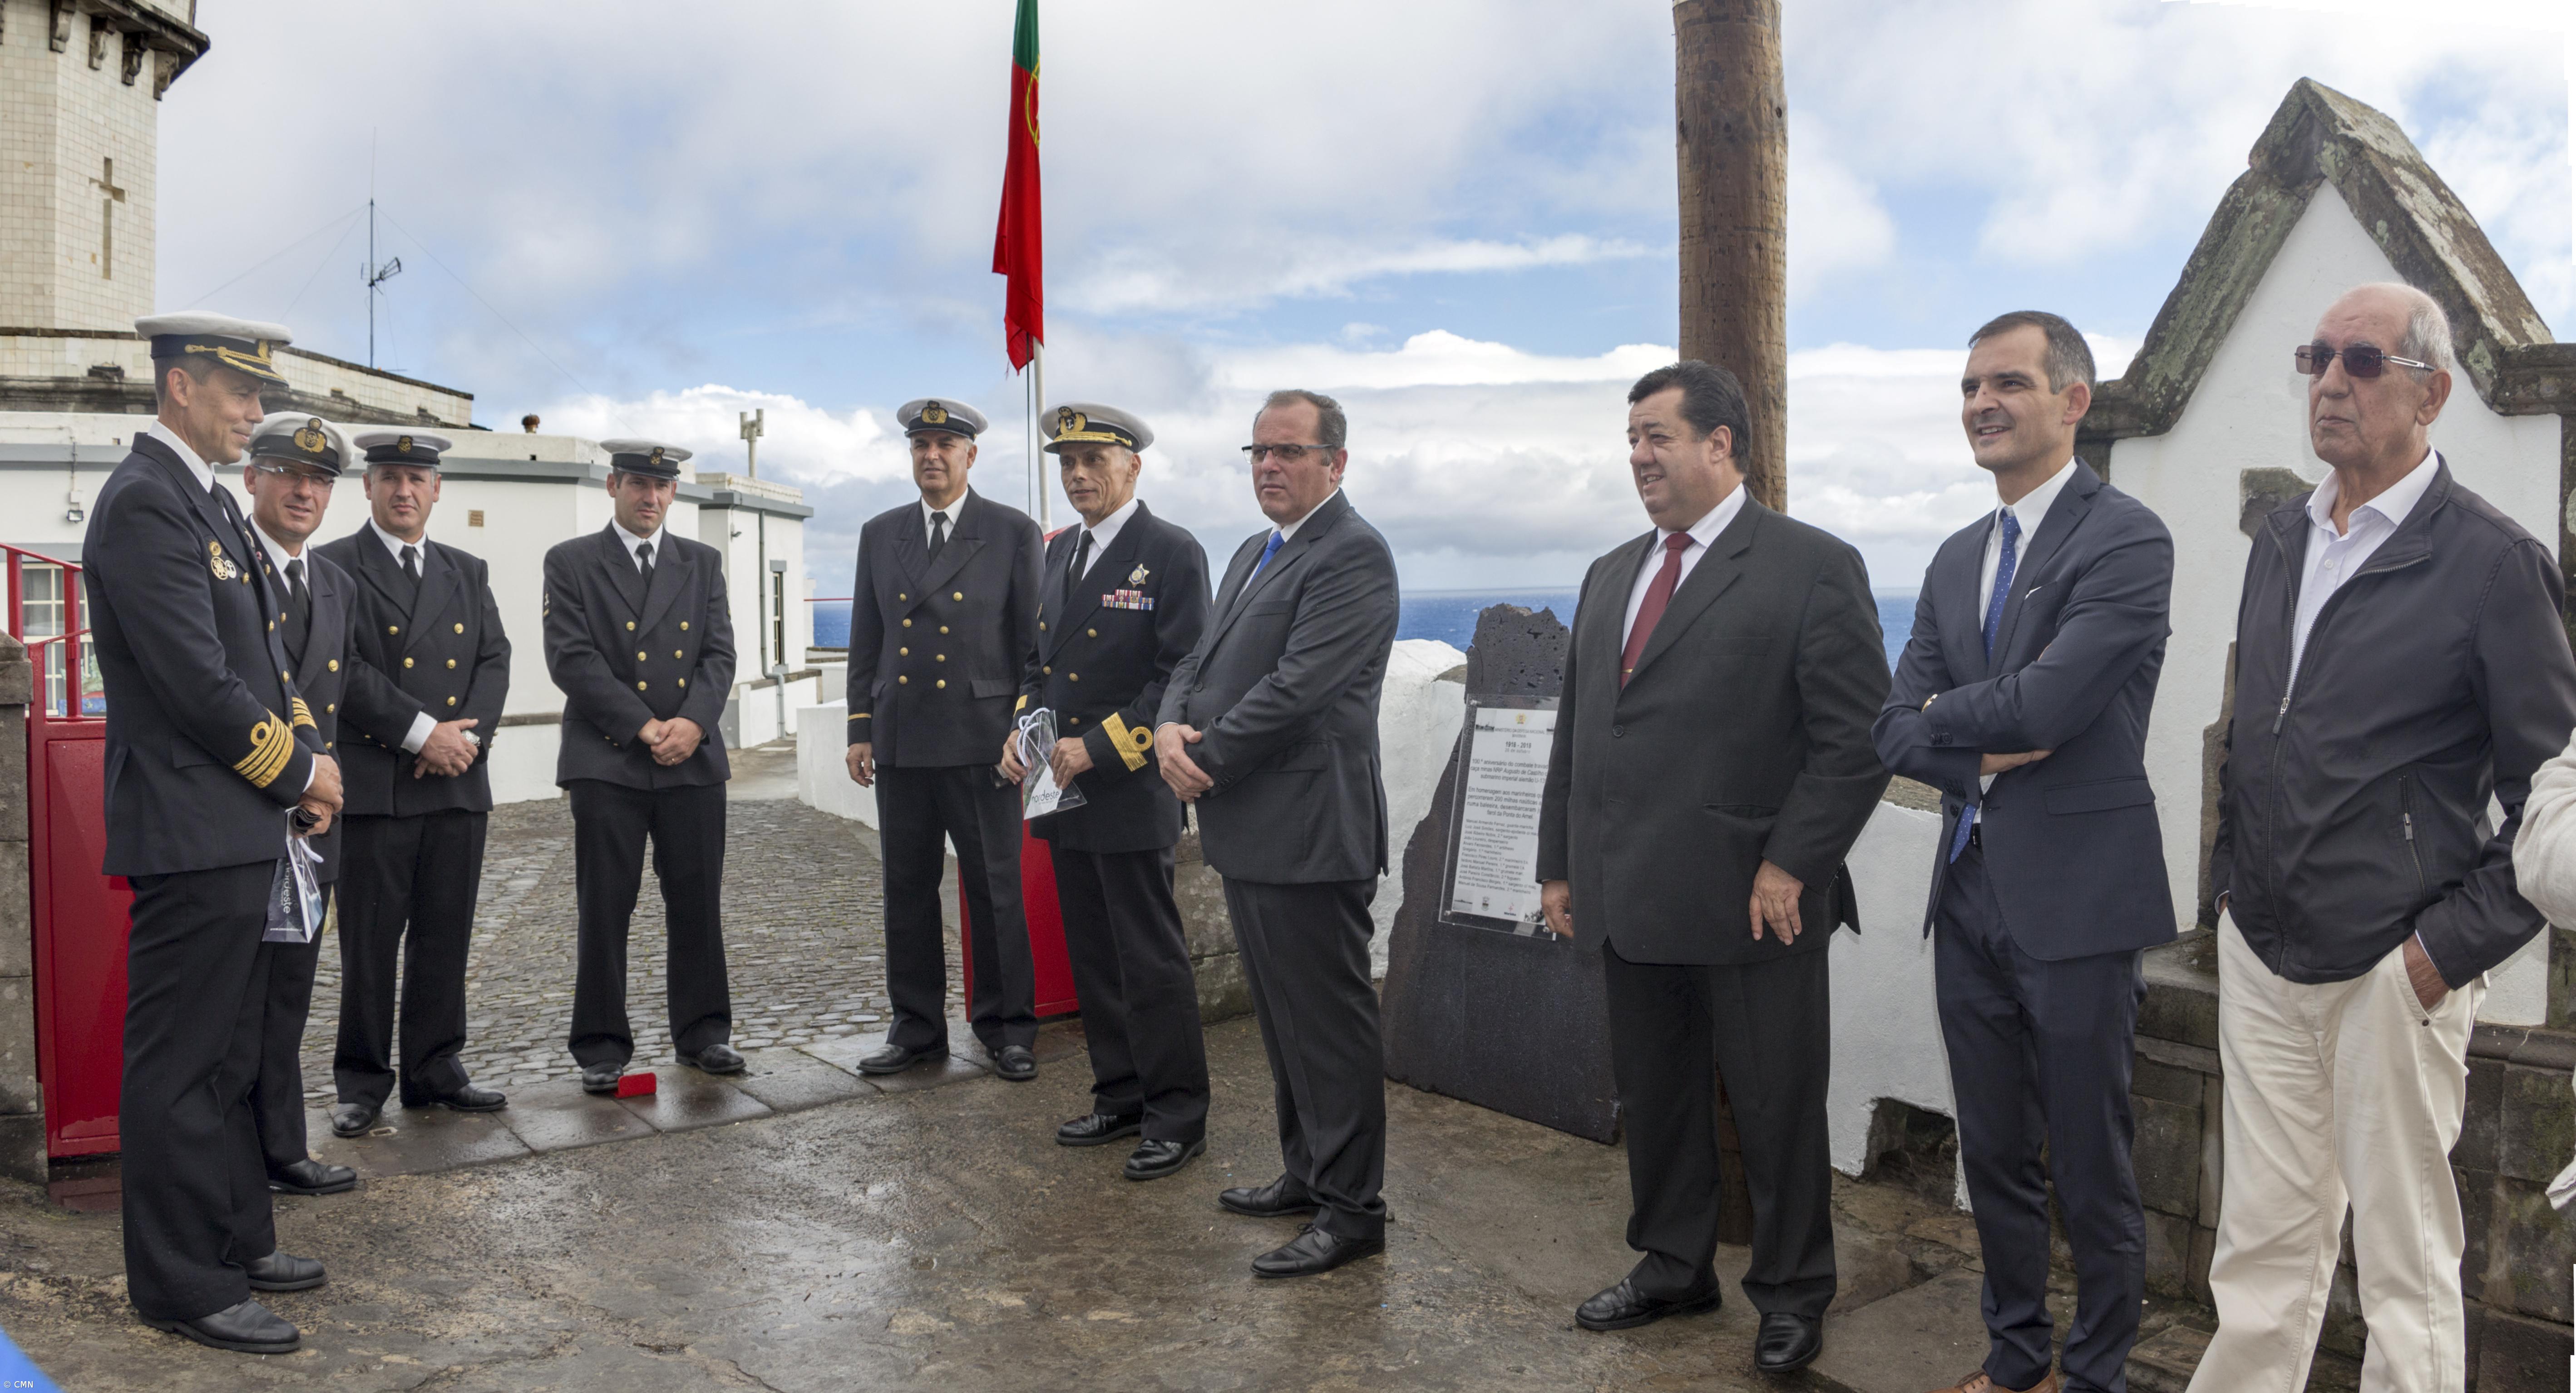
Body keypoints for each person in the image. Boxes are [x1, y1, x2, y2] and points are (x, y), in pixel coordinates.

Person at [2195, 283, 2576, 1393]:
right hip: (2260, 952)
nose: (2328, 381)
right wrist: (2227, 888)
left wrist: (2438, 953)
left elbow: (2551, 796)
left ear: (2431, 393)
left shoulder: (2494, 567)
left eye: (2360, 362)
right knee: (2258, 1248)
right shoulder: (2282, 539)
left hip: (2388, 974)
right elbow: (2249, 733)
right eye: (2316, 357)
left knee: (2405, 1265)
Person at [1535, 360, 1888, 1374]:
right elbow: (1582, 736)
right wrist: (1559, 865)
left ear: (1720, 444)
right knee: (1656, 1097)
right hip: (1625, 894)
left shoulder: (1809, 564)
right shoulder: (1612, 570)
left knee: (1776, 1106)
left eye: (1657, 436)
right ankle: (1671, 1265)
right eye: (1631, 439)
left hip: (1752, 901)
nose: (1638, 456)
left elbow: (1854, 738)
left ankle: (1789, 1292)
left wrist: (1791, 862)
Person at [1872, 314, 2176, 1393]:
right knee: (1991, 1155)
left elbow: (2054, 701)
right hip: (1965, 891)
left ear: (2072, 401)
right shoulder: (1957, 557)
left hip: (2080, 899)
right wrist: (1985, 750)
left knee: (2089, 1164)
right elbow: (1891, 722)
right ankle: (2014, 1363)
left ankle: (2094, 1376)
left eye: (2006, 382)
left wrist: (1954, 721)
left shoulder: (2126, 537)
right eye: (1966, 387)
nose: (1980, 404)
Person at [86, 314, 342, 1354]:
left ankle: (235, 1239)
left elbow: (266, 669)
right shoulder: (147, 502)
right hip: (192, 825)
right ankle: (181, 1284)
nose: (253, 413)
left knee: (234, 1055)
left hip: (237, 820)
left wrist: (300, 780)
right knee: (180, 1063)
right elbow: (198, 681)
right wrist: (296, 769)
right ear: (181, 385)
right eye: (240, 395)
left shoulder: (202, 502)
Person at [1155, 388, 1401, 1279]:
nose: (1268, 465)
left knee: (1328, 1026)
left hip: (1309, 828)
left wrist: (1200, 756)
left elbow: (1299, 689)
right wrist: (1167, 728)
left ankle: (1351, 1209)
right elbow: (1197, 657)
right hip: (1252, 829)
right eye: (1257, 450)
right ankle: (1306, 1172)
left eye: (1288, 451)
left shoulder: (1353, 555)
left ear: (1334, 462)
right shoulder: (1255, 551)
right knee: (1284, 1020)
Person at [1002, 403, 1212, 1180]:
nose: (1079, 476)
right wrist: (1021, 732)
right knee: (1093, 955)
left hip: (1127, 787)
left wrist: (1098, 748)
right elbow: (1039, 666)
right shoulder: (1060, 555)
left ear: (1132, 467)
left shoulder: (1171, 552)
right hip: (1064, 795)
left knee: (1149, 961)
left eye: (1094, 462)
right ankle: (1120, 1093)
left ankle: (1177, 1113)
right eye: (1068, 464)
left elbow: (1182, 676)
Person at [235, 414, 420, 1201]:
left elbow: (331, 694)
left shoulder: (333, 584)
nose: (304, 491)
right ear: (252, 479)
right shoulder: (226, 567)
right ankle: (235, 1160)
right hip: (244, 813)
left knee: (288, 996)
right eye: (285, 472)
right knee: (232, 1005)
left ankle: (282, 1149)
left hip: (313, 822)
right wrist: (295, 779)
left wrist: (322, 783)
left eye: (319, 480)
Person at [315, 429, 512, 1136]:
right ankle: (362, 1082)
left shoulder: (469, 568)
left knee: (444, 935)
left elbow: (493, 659)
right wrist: (421, 732)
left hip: (455, 784)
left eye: (417, 479)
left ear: (437, 491)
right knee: (368, 943)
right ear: (366, 487)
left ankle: (436, 1069)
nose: (404, 490)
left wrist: (464, 739)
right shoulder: (332, 565)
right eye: (390, 477)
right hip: (376, 786)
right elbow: (344, 667)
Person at [844, 399, 1046, 1082]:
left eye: (945, 444)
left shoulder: (1012, 531)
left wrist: (1020, 730)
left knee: (995, 891)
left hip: (981, 740)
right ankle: (917, 1030)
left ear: (971, 455)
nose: (932, 456)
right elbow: (867, 640)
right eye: (921, 445)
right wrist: (859, 729)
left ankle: (1007, 1027)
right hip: (902, 738)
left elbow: (1031, 647)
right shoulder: (881, 533)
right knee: (906, 891)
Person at [540, 440, 742, 1093]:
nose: (649, 498)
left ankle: (705, 1033)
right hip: (608, 759)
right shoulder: (571, 562)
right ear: (612, 487)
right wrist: (645, 726)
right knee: (605, 906)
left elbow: (718, 655)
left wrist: (693, 723)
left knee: (696, 905)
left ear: (674, 494)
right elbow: (571, 659)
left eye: (660, 488)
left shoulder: (702, 562)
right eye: (635, 485)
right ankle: (601, 1044)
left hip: (692, 758)